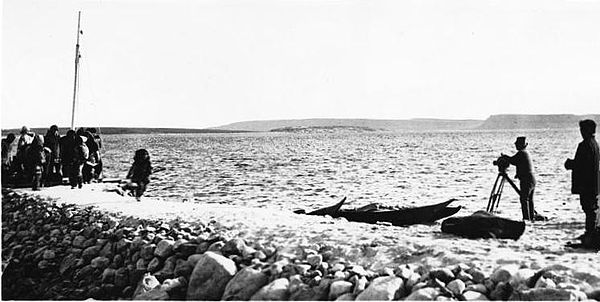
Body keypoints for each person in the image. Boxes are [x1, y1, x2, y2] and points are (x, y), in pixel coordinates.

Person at [565, 119, 600, 241]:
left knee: (588, 208)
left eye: (582, 129)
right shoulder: (595, 144)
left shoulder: (584, 145)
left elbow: (580, 164)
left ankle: (590, 234)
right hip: (594, 183)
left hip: (586, 184)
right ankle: (590, 232)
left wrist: (569, 164)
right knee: (591, 209)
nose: (581, 132)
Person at [502, 136, 537, 221]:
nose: (515, 145)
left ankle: (526, 219)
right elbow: (515, 161)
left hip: (526, 179)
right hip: (531, 179)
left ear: (521, 145)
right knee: (529, 200)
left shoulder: (521, 153)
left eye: (517, 144)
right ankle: (531, 218)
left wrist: (505, 157)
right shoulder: (525, 152)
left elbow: (513, 160)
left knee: (524, 199)